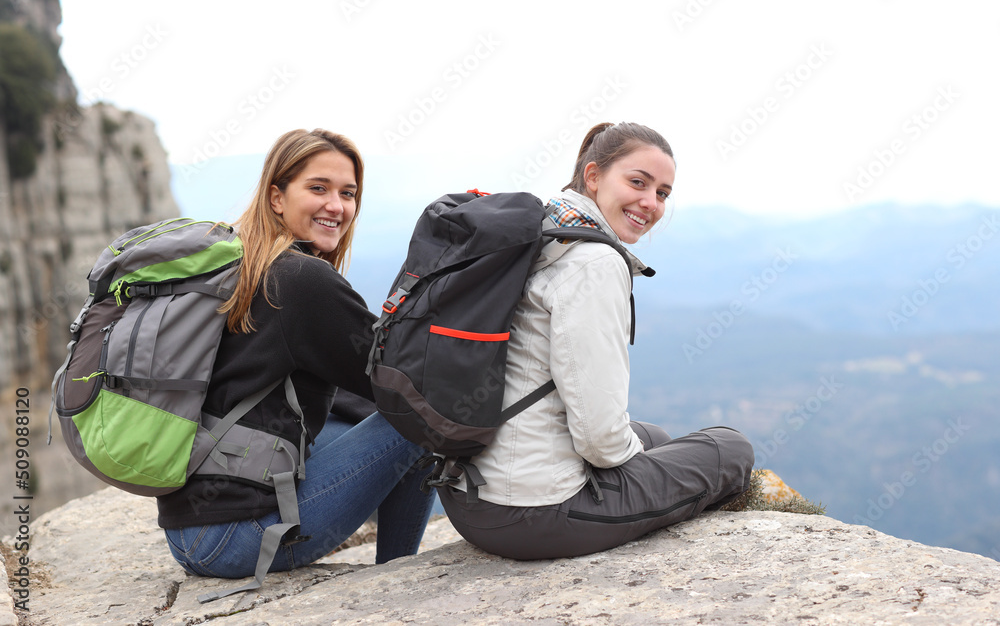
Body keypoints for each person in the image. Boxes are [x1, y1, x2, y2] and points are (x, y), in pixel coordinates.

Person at [439, 122, 755, 560]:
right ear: (593, 176)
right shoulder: (594, 263)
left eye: (662, 193)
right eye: (638, 182)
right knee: (730, 448)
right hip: (534, 515)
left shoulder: (540, 234)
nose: (650, 202)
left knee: (655, 436)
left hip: (466, 499)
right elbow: (601, 441)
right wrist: (639, 469)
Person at [158, 128, 435, 579]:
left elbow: (353, 381)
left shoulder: (238, 260)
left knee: (366, 412)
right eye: (318, 189)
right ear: (276, 197)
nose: (337, 206)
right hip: (236, 540)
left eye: (348, 194)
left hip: (189, 533)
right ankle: (399, 575)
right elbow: (403, 379)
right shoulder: (304, 281)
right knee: (421, 416)